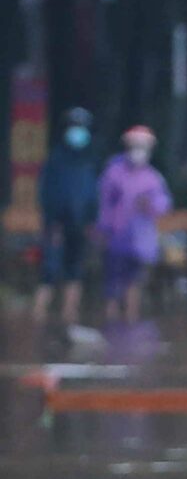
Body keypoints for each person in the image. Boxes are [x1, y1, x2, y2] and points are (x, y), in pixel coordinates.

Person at [95, 126, 172, 322]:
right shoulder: (114, 173)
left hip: (140, 241)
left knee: (134, 282)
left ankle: (131, 320)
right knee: (112, 283)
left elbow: (163, 204)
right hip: (115, 237)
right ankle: (110, 321)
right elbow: (103, 204)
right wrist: (103, 230)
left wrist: (150, 204)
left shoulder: (153, 177)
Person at [35, 107, 101, 322]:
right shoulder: (56, 160)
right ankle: (39, 317)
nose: (78, 132)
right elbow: (48, 195)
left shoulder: (88, 161)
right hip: (57, 226)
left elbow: (92, 194)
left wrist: (91, 221)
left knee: (75, 271)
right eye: (75, 127)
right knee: (50, 273)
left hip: (80, 225)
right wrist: (52, 223)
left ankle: (69, 317)